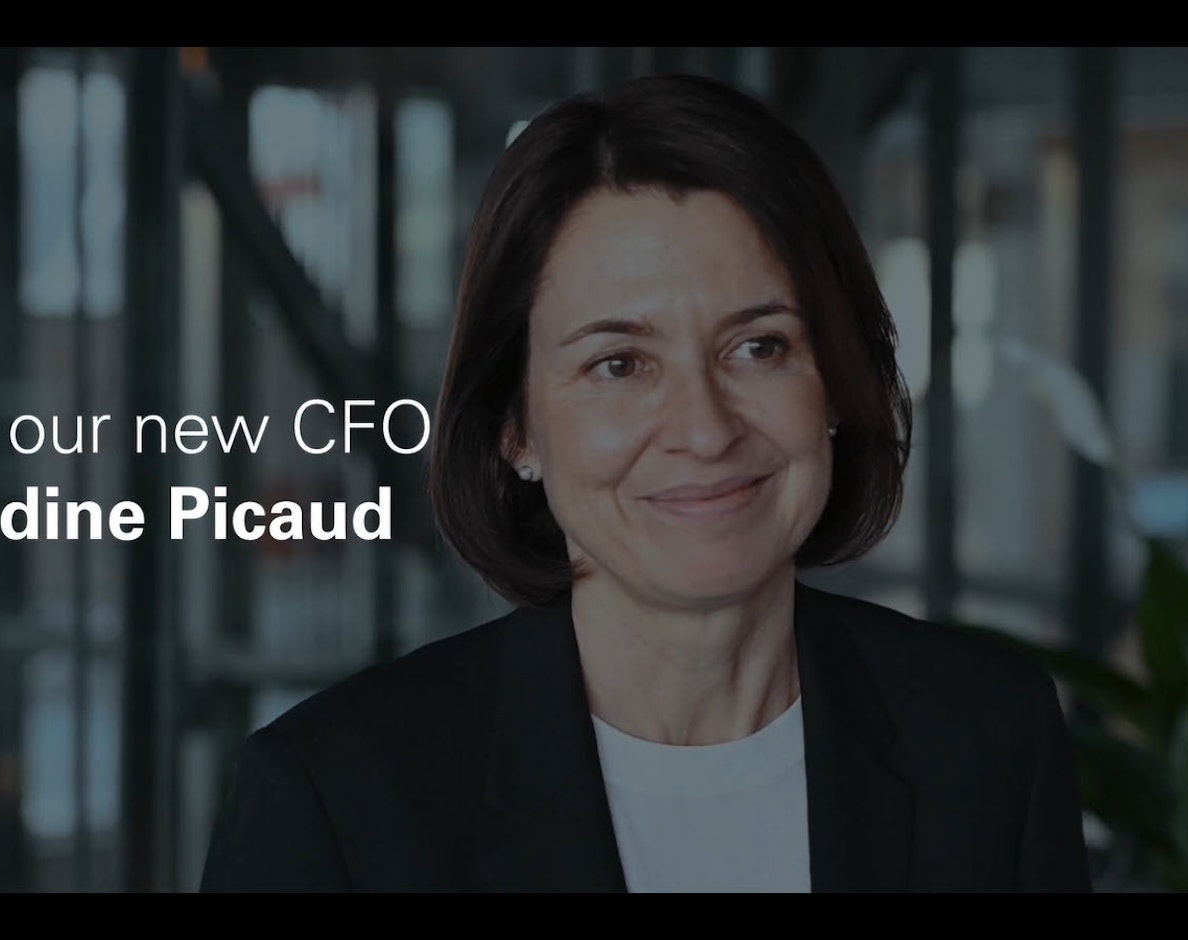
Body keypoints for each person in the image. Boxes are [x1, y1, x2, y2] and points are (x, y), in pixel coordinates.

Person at [199, 73, 1092, 892]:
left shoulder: (988, 738)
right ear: (516, 428)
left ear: (833, 382)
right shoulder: (335, 799)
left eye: (759, 347)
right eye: (619, 364)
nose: (705, 429)